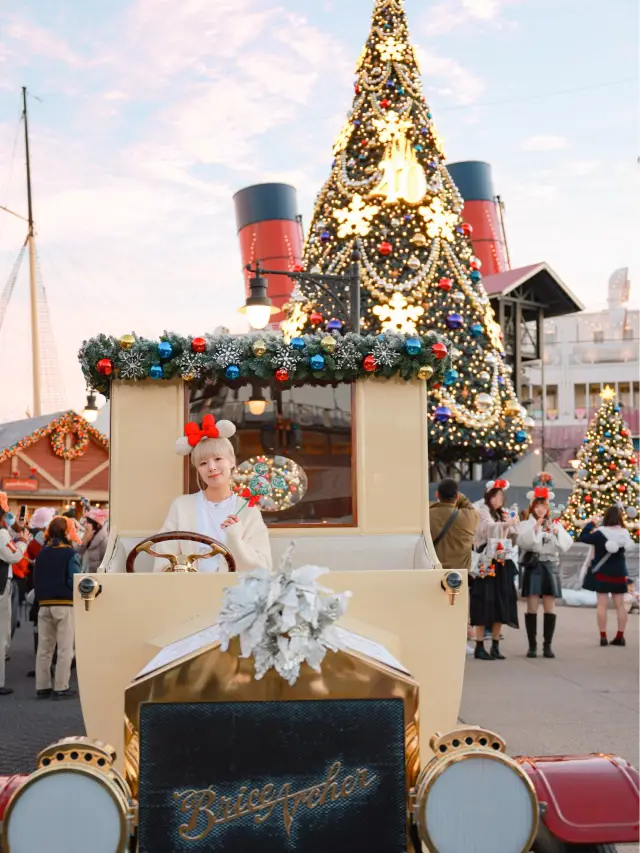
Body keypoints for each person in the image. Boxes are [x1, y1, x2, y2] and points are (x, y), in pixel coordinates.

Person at [155, 415, 272, 573]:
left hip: (236, 593)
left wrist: (235, 539)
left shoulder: (248, 510)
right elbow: (163, 560)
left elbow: (263, 567)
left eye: (218, 458)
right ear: (197, 469)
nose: (211, 467)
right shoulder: (181, 506)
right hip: (190, 592)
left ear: (232, 461)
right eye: (203, 463)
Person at [517, 483, 573, 659]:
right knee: (532, 606)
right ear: (533, 507)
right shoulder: (527, 523)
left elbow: (565, 545)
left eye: (543, 506)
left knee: (550, 606)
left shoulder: (555, 523)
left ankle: (547, 645)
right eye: (537, 506)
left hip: (550, 565)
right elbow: (522, 542)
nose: (541, 509)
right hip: (534, 565)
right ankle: (532, 646)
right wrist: (535, 529)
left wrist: (555, 532)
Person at [470, 479, 519, 660]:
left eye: (501, 496)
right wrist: (505, 524)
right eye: (496, 496)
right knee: (483, 599)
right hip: (485, 558)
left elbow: (513, 535)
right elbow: (486, 530)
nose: (499, 500)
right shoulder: (481, 510)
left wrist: (512, 523)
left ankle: (496, 645)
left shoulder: (503, 513)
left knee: (501, 600)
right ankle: (480, 645)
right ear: (489, 497)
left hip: (501, 559)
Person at [33, 516, 81, 698]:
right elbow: (74, 578)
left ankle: (42, 685)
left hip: (44, 604)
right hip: (64, 604)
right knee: (65, 648)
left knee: (44, 648)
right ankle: (61, 686)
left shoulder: (42, 553)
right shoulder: (70, 553)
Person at [579, 506, 633, 647]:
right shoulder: (625, 533)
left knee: (602, 605)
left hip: (602, 572)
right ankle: (620, 636)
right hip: (619, 573)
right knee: (620, 605)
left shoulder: (600, 533)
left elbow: (583, 537)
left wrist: (591, 523)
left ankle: (603, 637)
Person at [0, 495, 29, 696]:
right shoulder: (1, 533)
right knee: (1, 636)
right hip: (1, 587)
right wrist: (23, 542)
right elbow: (14, 555)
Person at [430, 479, 479, 570]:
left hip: (434, 571)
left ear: (437, 494)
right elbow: (470, 507)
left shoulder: (428, 515)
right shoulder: (469, 516)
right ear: (457, 496)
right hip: (460, 575)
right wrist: (461, 497)